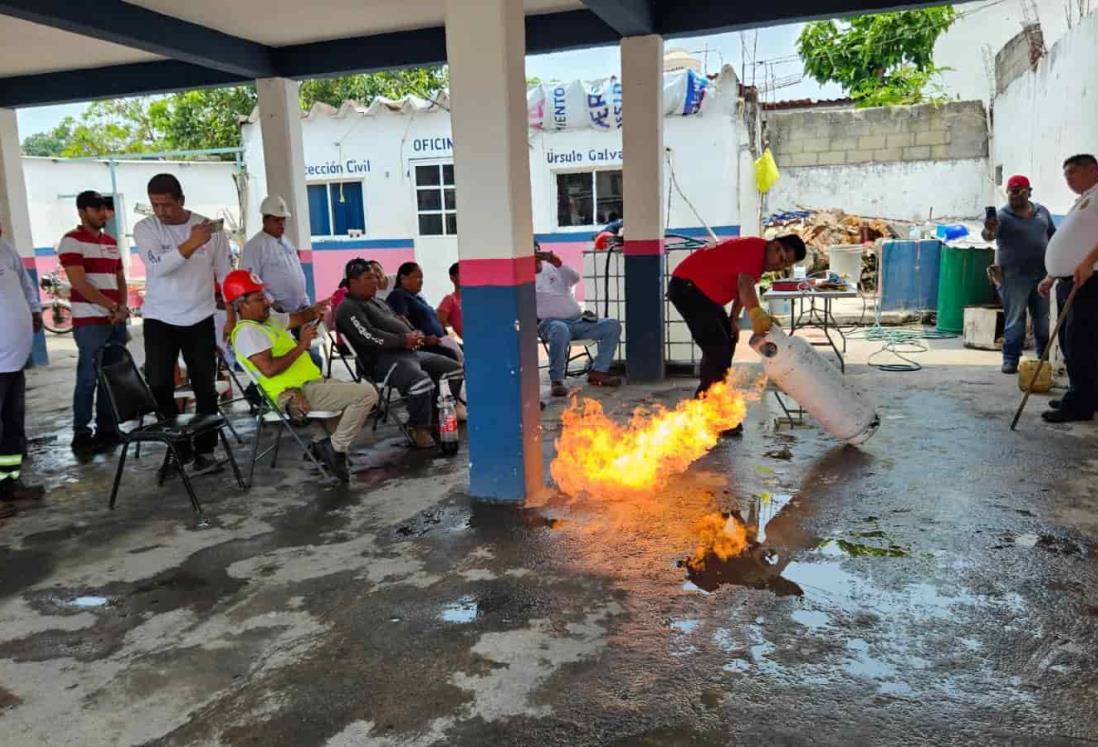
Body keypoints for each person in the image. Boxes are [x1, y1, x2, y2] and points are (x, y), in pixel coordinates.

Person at [224, 270, 375, 482]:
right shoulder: (248, 332)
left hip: (312, 384)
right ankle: (334, 447)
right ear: (241, 304)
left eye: (265, 296)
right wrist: (302, 345)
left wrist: (317, 308)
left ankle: (323, 443)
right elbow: (269, 369)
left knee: (352, 405)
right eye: (259, 298)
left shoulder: (269, 321)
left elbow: (302, 317)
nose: (267, 302)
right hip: (294, 392)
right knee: (367, 394)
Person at [132, 173, 232, 475]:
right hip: (159, 318)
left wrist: (232, 315)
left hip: (200, 317)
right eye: (155, 205)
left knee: (205, 388)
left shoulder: (211, 230)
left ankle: (205, 451)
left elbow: (225, 273)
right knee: (159, 383)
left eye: (167, 205)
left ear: (181, 200)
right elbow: (158, 268)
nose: (161, 212)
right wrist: (191, 242)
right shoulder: (145, 228)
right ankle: (179, 449)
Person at [668, 234, 806, 433]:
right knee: (717, 350)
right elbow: (744, 285)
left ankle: (714, 405)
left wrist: (733, 319)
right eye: (782, 259)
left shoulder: (758, 260)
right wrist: (756, 313)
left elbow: (742, 289)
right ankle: (706, 415)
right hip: (688, 289)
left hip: (702, 294)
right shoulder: (753, 250)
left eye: (785, 266)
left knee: (728, 338)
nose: (779, 267)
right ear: (775, 246)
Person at [336, 258, 463, 449]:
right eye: (369, 277)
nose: (375, 281)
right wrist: (404, 340)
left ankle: (435, 418)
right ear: (353, 281)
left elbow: (398, 320)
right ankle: (418, 427)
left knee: (453, 369)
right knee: (421, 382)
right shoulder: (348, 308)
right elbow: (369, 336)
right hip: (381, 361)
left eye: (375, 277)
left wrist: (415, 334)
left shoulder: (377, 302)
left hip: (408, 354)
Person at [57, 191, 131, 454]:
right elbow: (79, 283)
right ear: (82, 211)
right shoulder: (71, 241)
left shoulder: (111, 242)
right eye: (97, 209)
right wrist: (112, 306)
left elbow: (120, 279)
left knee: (113, 378)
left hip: (114, 319)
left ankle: (108, 429)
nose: (103, 214)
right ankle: (81, 433)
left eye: (105, 209)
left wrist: (121, 308)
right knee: (88, 377)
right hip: (90, 321)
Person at [1037, 154, 1098, 423]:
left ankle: (1080, 405)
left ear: (1092, 169)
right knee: (1068, 342)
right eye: (1065, 173)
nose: (1067, 178)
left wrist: (1087, 262)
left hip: (1088, 281)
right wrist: (1051, 276)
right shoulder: (1084, 199)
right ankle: (1080, 394)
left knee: (1081, 343)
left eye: (1072, 171)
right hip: (1068, 281)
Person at [982, 175, 1056, 374]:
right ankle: (1010, 360)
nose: (1013, 196)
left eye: (1018, 192)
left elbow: (1053, 235)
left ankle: (1043, 359)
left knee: (1042, 320)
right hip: (1014, 277)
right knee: (1015, 320)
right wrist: (989, 229)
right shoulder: (1002, 216)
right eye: (1010, 192)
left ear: (1029, 191)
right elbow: (989, 236)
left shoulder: (1042, 212)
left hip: (1042, 275)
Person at [535, 242, 621, 397]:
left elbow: (575, 278)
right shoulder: (521, 276)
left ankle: (598, 372)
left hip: (577, 321)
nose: (534, 257)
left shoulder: (553, 267)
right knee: (559, 329)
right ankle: (557, 380)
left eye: (536, 253)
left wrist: (558, 263)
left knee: (612, 325)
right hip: (550, 324)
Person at [0, 224, 45, 514]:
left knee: (13, 425)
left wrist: (35, 309)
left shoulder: (5, 249)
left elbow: (26, 286)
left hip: (14, 359)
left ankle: (8, 482)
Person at [387, 261, 462, 362]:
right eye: (417, 277)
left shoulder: (419, 299)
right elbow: (400, 321)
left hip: (441, 342)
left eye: (421, 278)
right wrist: (424, 340)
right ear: (403, 278)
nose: (421, 281)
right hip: (424, 346)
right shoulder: (398, 295)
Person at [436, 262, 463, 339]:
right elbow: (442, 323)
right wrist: (457, 340)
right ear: (452, 278)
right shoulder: (449, 299)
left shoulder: (475, 300)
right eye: (461, 274)